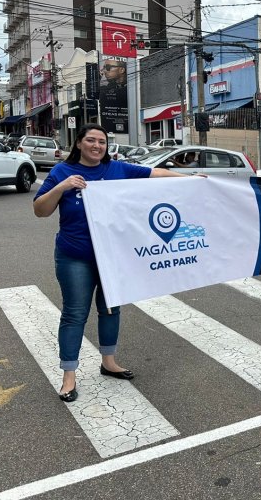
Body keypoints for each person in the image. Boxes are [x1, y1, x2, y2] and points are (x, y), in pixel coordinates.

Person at [33, 124, 201, 403]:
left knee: (111, 309)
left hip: (112, 255)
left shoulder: (117, 169)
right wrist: (63, 187)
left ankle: (108, 362)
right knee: (75, 314)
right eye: (90, 140)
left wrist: (190, 178)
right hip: (75, 255)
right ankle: (69, 376)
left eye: (101, 141)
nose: (96, 145)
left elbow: (154, 174)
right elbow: (40, 210)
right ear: (78, 143)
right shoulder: (62, 172)